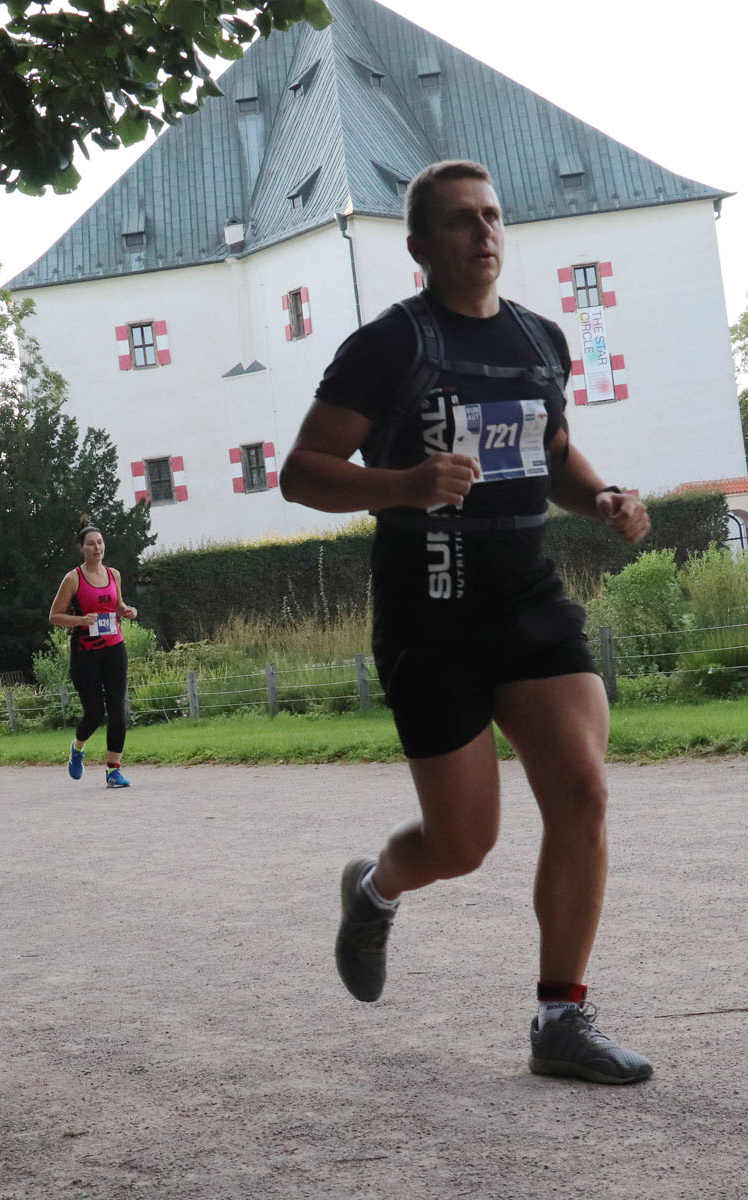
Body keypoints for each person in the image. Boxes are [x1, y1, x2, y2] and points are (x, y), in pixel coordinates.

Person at [278, 160, 655, 1086]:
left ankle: (560, 1019)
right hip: (429, 611)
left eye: (491, 216)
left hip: (528, 600)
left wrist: (603, 497)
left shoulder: (539, 339)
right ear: (420, 245)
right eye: (460, 220)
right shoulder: (388, 345)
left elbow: (552, 453)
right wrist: (404, 484)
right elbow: (302, 471)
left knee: (583, 794)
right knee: (463, 845)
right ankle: (376, 889)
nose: (483, 233)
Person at [47, 519, 138, 788]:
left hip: (114, 647)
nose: (97, 548)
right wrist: (80, 620)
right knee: (95, 713)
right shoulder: (73, 578)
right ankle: (78, 747)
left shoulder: (114, 574)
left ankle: (113, 771)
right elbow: (55, 616)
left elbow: (117, 605)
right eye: (90, 544)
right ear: (81, 548)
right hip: (85, 652)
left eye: (100, 542)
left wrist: (127, 611)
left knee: (118, 709)